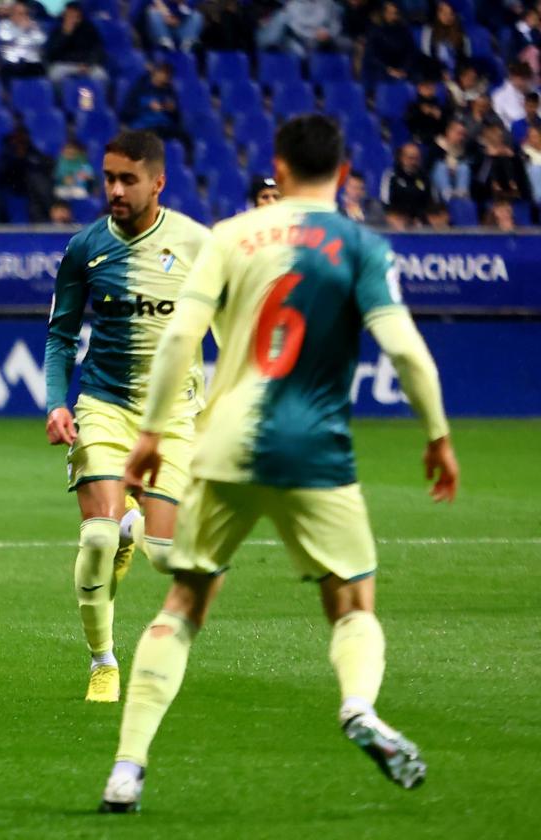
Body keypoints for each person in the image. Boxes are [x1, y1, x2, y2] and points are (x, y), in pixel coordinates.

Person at [98, 114, 458, 813]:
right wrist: (437, 436)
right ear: (345, 174)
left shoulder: (231, 235)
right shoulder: (361, 245)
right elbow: (407, 351)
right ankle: (357, 704)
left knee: (184, 602)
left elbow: (179, 340)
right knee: (351, 600)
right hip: (317, 449)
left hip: (227, 440)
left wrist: (147, 435)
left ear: (279, 169)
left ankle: (127, 767)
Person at [43, 129, 211, 703]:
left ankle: (134, 528)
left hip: (173, 418)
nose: (114, 189)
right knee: (95, 538)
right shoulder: (84, 246)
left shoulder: (197, 244)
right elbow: (60, 336)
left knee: (165, 558)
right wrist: (56, 402)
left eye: (127, 179)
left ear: (158, 183)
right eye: (108, 177)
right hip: (105, 407)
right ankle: (103, 663)